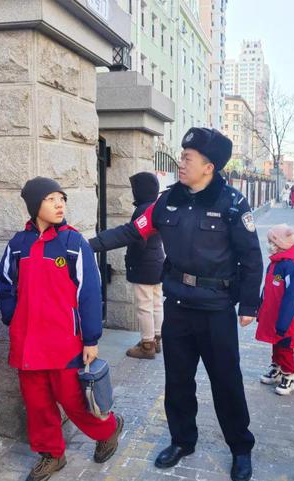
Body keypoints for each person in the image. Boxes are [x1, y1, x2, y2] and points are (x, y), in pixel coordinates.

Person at [89, 127, 262, 481]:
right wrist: (84, 245)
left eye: (187, 158)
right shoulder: (167, 201)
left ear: (208, 167)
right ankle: (182, 440)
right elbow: (131, 231)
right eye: (182, 157)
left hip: (216, 309)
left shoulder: (231, 203)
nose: (180, 163)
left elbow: (251, 257)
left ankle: (240, 447)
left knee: (226, 382)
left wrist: (249, 305)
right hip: (179, 306)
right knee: (178, 380)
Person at [0, 177, 123, 481]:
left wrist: (91, 338)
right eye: (50, 199)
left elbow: (89, 292)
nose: (59, 204)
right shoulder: (18, 245)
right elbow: (4, 284)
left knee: (73, 400)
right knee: (37, 404)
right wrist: (14, 318)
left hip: (65, 342)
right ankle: (51, 454)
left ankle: (108, 430)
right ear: (34, 205)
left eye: (61, 198)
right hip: (28, 343)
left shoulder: (73, 243)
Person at [256, 224, 294, 396]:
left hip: (287, 317)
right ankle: (276, 367)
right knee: (275, 341)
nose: (269, 245)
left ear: (281, 244)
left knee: (285, 345)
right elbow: (267, 288)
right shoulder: (276, 262)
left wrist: (285, 321)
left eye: (272, 242)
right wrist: (261, 307)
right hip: (274, 314)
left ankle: (289, 374)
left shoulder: (292, 267)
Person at [124, 172, 165, 359]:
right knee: (156, 303)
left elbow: (138, 241)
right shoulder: (156, 207)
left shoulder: (141, 210)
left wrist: (131, 262)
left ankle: (147, 345)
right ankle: (157, 339)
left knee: (144, 306)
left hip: (144, 264)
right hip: (157, 261)